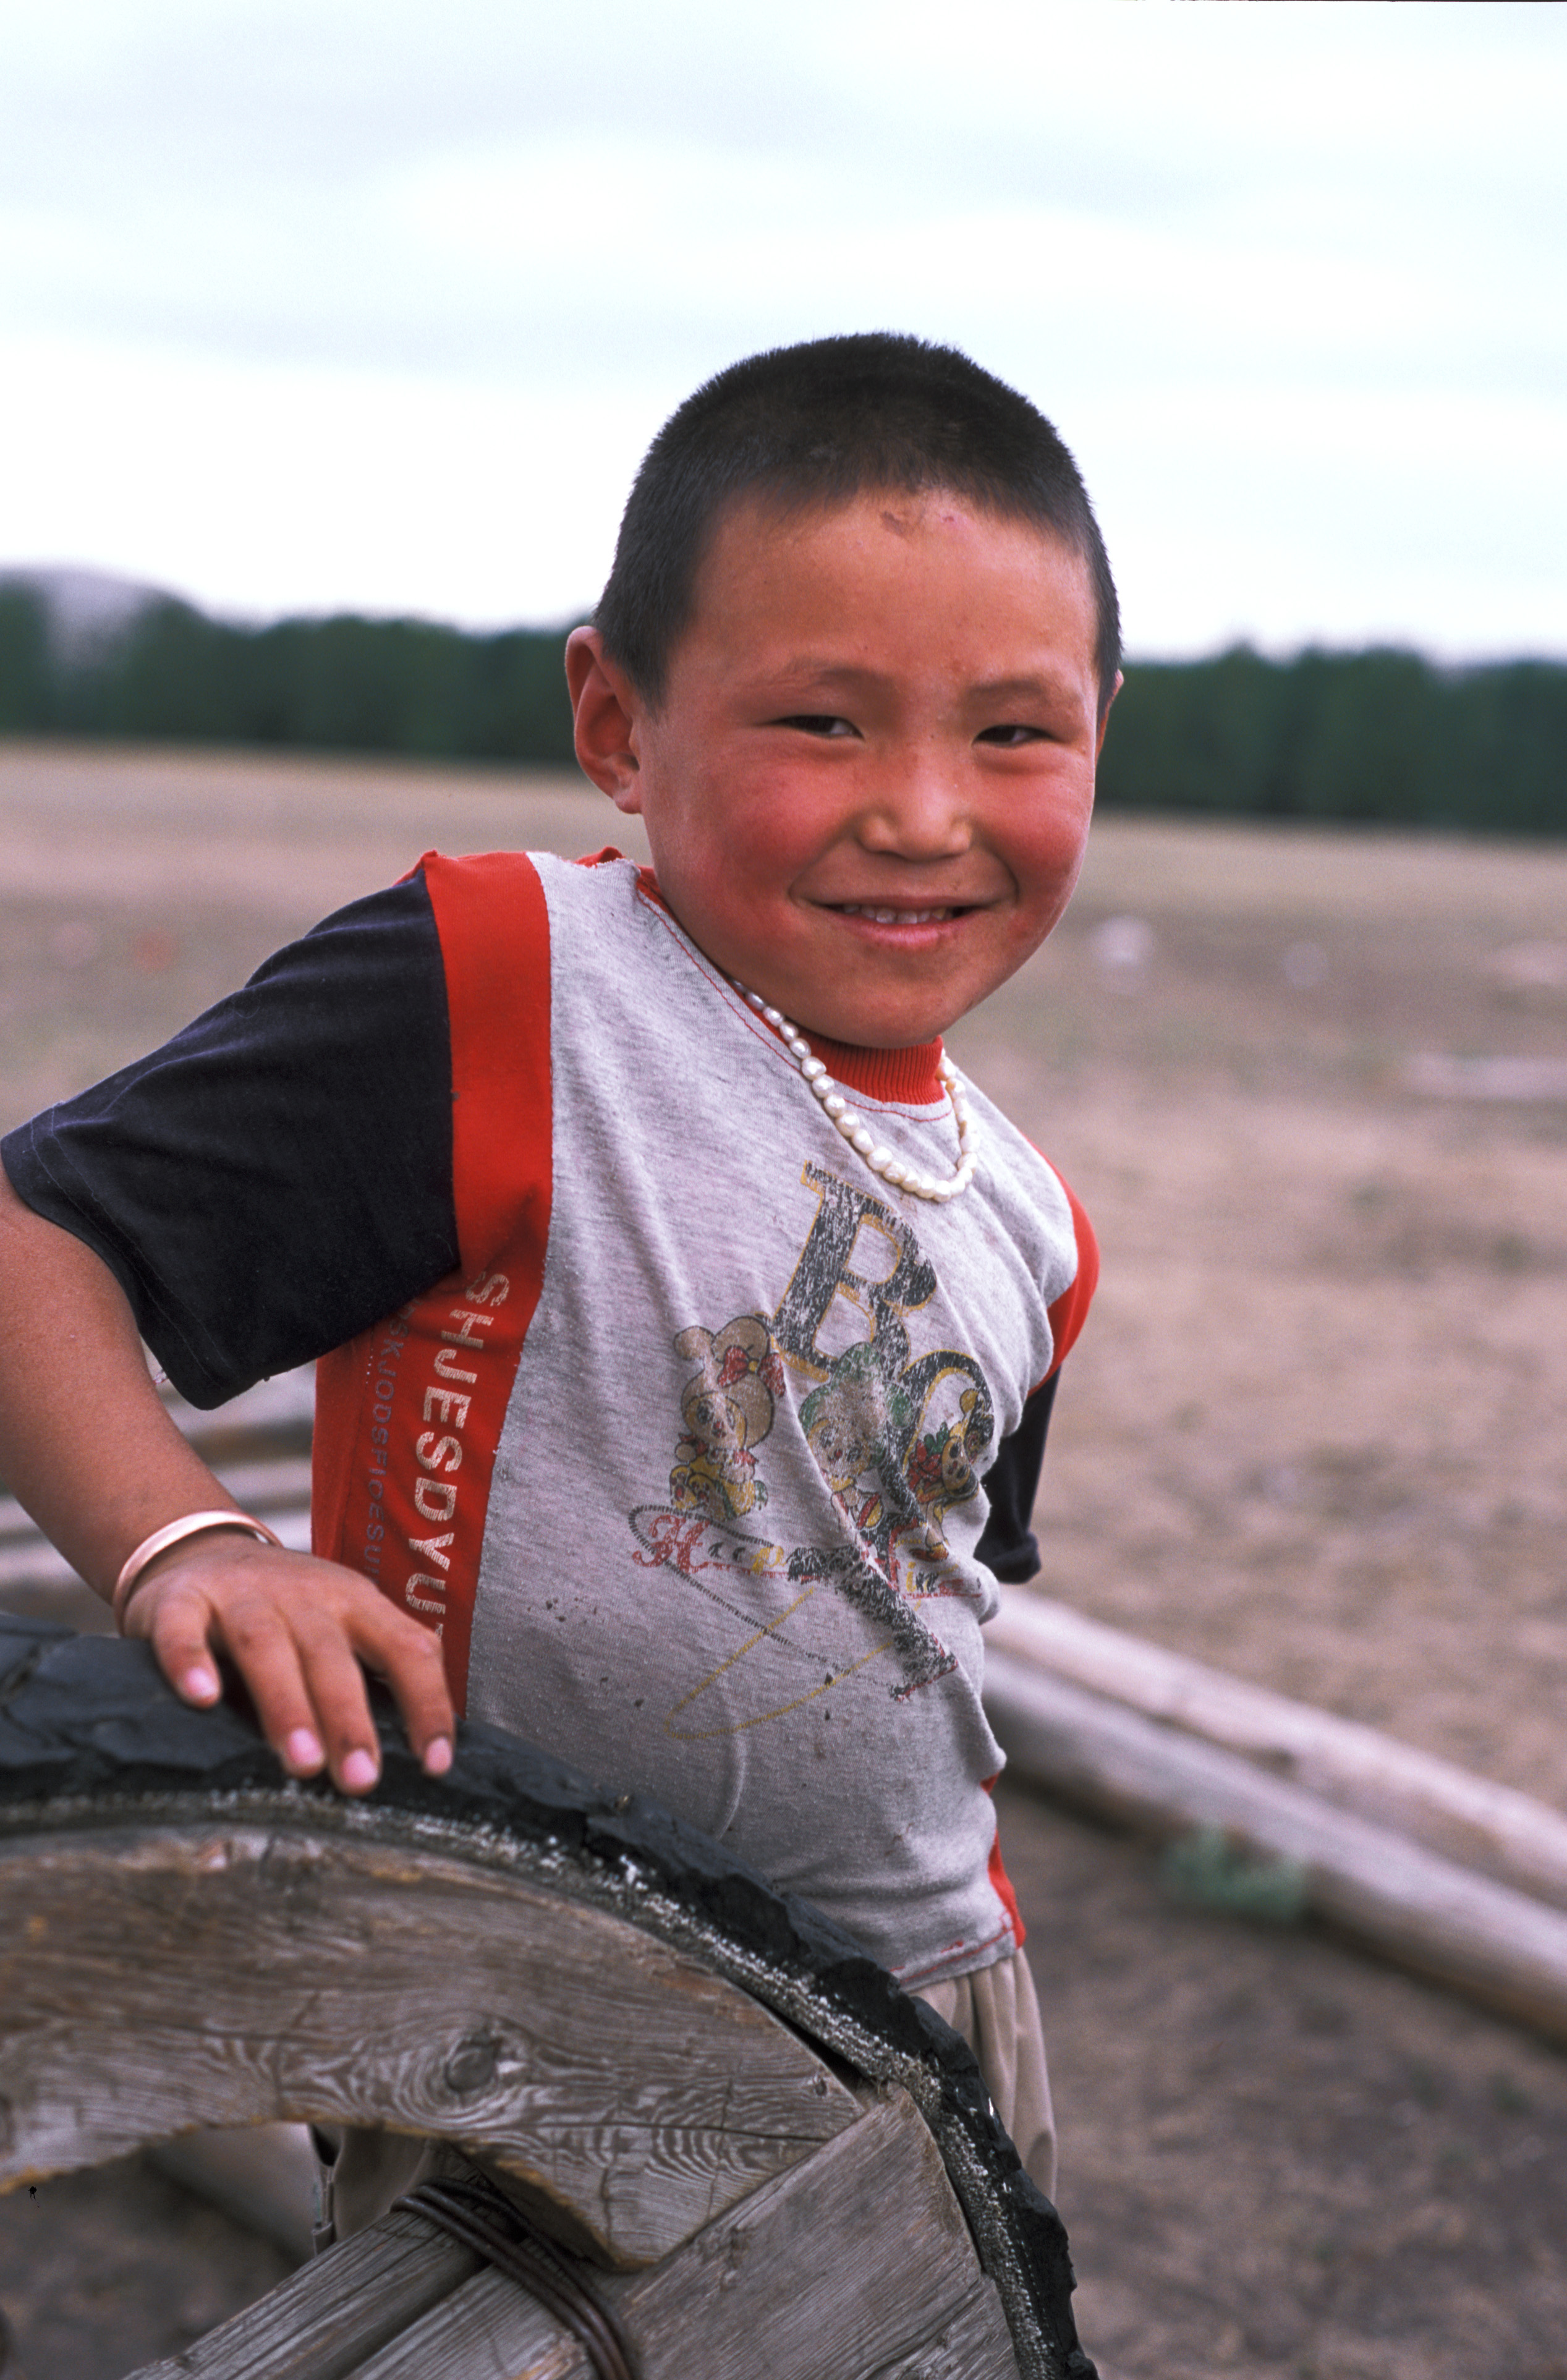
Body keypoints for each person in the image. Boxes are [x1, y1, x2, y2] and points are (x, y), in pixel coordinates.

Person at [0, 333, 1118, 2212]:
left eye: (1015, 732)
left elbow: (930, 1626)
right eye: (824, 722)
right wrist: (190, 1543)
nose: (926, 809)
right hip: (521, 1985)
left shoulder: (1035, 1220)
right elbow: (35, 1244)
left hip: (927, 2000)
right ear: (617, 721)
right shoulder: (514, 985)